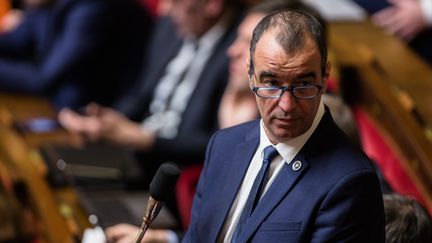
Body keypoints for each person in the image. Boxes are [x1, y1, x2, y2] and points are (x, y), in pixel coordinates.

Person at [183, 9, 385, 242]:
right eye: (271, 83)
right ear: (251, 75)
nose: (287, 105)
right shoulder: (223, 145)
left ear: (324, 76)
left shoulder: (350, 181)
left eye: (303, 84)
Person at [0, 0, 151, 109]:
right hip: (58, 103)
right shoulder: (44, 5)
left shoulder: (94, 6)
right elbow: (16, 41)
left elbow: (44, 79)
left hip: (94, 116)